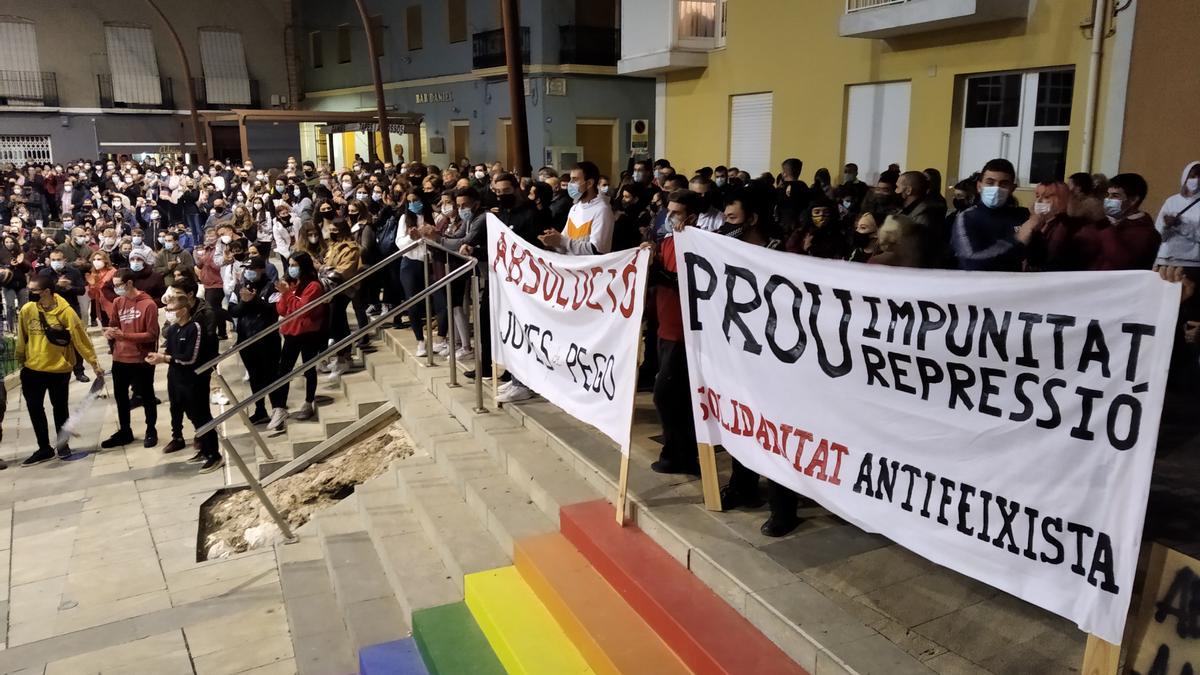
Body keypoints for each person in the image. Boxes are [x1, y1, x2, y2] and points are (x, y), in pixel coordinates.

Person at [15, 274, 104, 466]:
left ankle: (63, 445)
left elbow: (81, 339)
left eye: (34, 291)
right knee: (34, 408)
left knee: (60, 408)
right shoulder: (28, 309)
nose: (30, 294)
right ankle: (44, 448)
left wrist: (94, 363)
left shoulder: (66, 312)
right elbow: (22, 336)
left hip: (59, 369)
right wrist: (21, 358)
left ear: (47, 292)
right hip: (33, 369)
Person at [647, 189, 703, 477]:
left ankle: (680, 454)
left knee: (666, 395)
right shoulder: (667, 241)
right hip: (665, 327)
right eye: (667, 211)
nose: (669, 217)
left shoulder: (698, 246)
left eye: (676, 213)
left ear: (691, 217)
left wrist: (664, 276)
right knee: (673, 396)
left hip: (683, 333)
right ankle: (677, 452)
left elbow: (696, 287)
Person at [147, 279, 222, 472]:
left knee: (201, 416)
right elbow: (173, 354)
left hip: (194, 380)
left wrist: (164, 358)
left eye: (171, 310)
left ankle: (214, 454)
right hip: (176, 379)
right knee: (189, 415)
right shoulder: (173, 330)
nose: (169, 313)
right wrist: (164, 358)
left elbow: (190, 358)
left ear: (184, 309)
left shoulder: (194, 328)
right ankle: (205, 450)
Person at [101, 269, 159, 449]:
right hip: (120, 358)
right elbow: (114, 325)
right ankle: (125, 430)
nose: (116, 288)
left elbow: (152, 335)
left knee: (146, 396)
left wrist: (125, 336)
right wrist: (110, 333)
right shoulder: (118, 302)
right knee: (121, 397)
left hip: (141, 359)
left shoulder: (148, 304)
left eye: (118, 285)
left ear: (129, 283)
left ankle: (151, 429)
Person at [267, 251, 326, 430]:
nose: (291, 269)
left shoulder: (314, 286)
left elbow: (302, 309)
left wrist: (288, 295)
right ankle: (279, 407)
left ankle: (309, 401)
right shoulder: (293, 284)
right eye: (290, 265)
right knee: (283, 370)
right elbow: (283, 309)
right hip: (291, 332)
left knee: (309, 367)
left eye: (294, 265)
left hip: (308, 333)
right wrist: (286, 294)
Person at [227, 256, 279, 425]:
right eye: (246, 269)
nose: (247, 272)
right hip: (246, 339)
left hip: (267, 338)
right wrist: (244, 302)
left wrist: (254, 299)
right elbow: (233, 311)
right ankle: (260, 409)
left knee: (271, 375)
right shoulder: (239, 287)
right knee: (255, 377)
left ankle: (278, 409)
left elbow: (273, 311)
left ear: (261, 270)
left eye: (251, 269)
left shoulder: (271, 287)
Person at [951, 159, 1029, 271]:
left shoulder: (1023, 216)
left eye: (1004, 184)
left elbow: (1038, 258)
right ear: (979, 186)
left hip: (1014, 285)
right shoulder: (966, 218)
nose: (996, 188)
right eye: (990, 182)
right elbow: (971, 261)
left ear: (1012, 189)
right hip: (979, 285)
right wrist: (1018, 239)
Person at [1073, 173, 1160, 271]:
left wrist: (1102, 222)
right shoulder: (1113, 223)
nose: (1108, 200)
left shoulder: (1146, 233)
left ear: (1133, 200)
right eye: (1107, 195)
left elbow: (1122, 263)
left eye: (1115, 196)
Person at [42, 250, 89, 381]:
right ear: (49, 260)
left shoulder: (74, 272)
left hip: (71, 310)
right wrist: (57, 285)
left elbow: (81, 290)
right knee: (54, 342)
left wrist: (69, 287)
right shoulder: (44, 273)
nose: (56, 262)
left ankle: (79, 371)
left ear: (65, 260)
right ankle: (58, 371)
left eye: (59, 259)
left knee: (76, 342)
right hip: (51, 312)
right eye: (53, 260)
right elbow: (40, 292)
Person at [1154, 161, 1200, 271]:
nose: (1197, 180)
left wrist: (1181, 225)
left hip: (1192, 264)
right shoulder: (1171, 201)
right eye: (1192, 176)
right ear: (1185, 178)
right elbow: (1158, 235)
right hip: (1165, 261)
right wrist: (1166, 226)